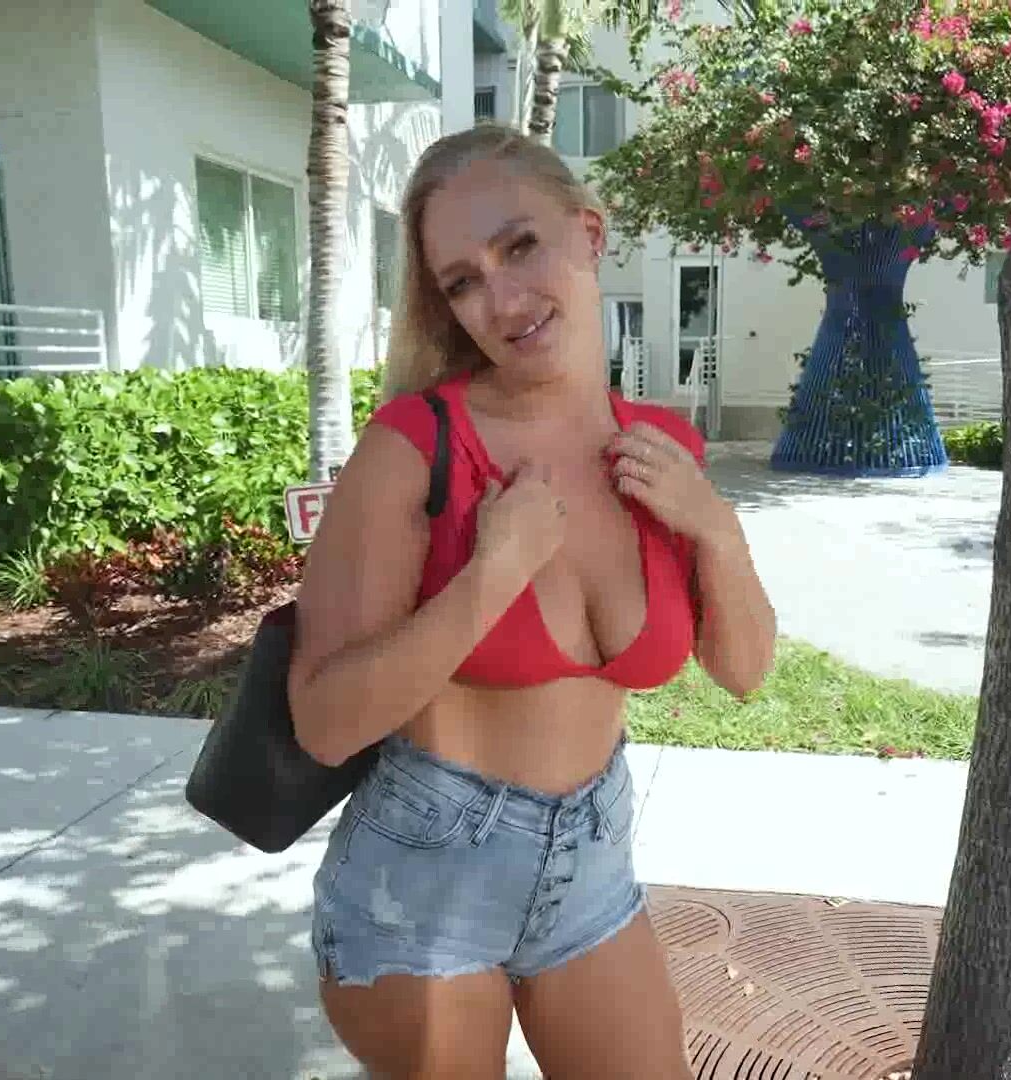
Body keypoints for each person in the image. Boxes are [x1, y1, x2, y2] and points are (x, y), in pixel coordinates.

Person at [285, 122, 778, 1078]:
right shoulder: (413, 447)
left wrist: (717, 529)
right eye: (462, 282)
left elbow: (746, 672)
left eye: (520, 247)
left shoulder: (660, 448)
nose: (503, 301)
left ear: (589, 235)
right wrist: (492, 577)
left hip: (591, 863)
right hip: (423, 883)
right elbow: (324, 723)